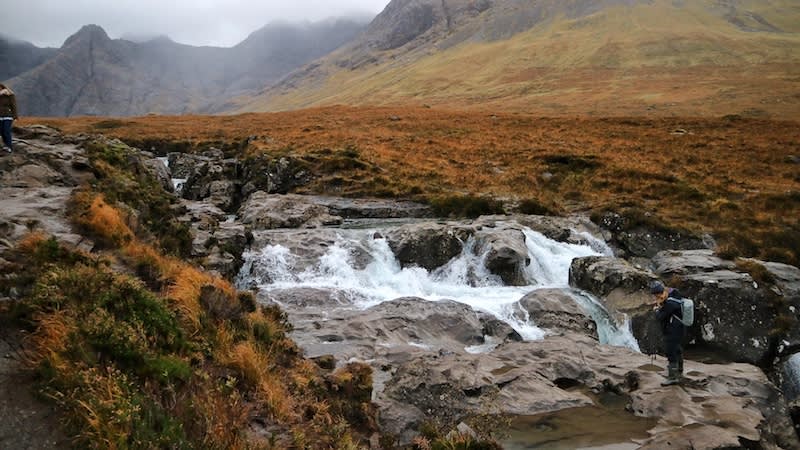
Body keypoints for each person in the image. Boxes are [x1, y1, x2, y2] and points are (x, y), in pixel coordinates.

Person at [651, 281, 685, 386]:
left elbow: (660, 317)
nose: (656, 297)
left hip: (673, 330)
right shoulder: (674, 293)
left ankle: (673, 377)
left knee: (671, 351)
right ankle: (679, 370)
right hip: (680, 328)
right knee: (677, 348)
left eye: (656, 295)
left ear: (658, 292)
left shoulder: (670, 303)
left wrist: (656, 310)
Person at [0, 83, 18, 153]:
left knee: (6, 131)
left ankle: (9, 146)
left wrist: (15, 116)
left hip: (7, 115)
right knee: (1, 131)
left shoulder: (10, 95)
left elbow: (14, 105)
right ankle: (5, 145)